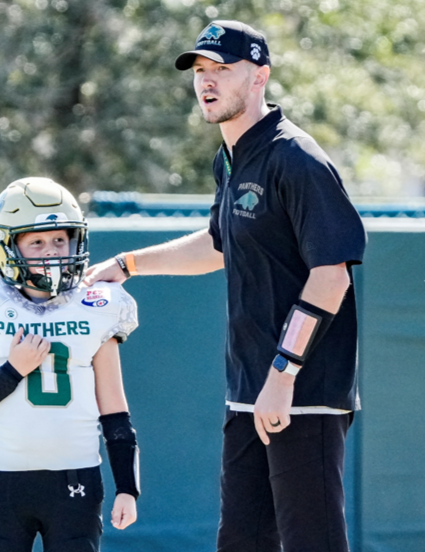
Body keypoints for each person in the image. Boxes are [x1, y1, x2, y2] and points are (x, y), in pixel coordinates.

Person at [83, 20, 366, 552]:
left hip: (300, 393)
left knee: (314, 542)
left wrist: (283, 374)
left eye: (222, 70)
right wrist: (128, 264)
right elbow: (217, 245)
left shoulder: (295, 158)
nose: (206, 82)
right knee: (241, 541)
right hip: (247, 393)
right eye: (201, 71)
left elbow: (332, 274)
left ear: (259, 77)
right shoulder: (230, 158)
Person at [0, 177, 140, 552]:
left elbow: (115, 409)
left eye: (59, 239)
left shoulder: (99, 305)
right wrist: (13, 371)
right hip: (1, 482)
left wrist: (127, 487)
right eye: (36, 241)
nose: (51, 251)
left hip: (75, 478)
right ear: (8, 246)